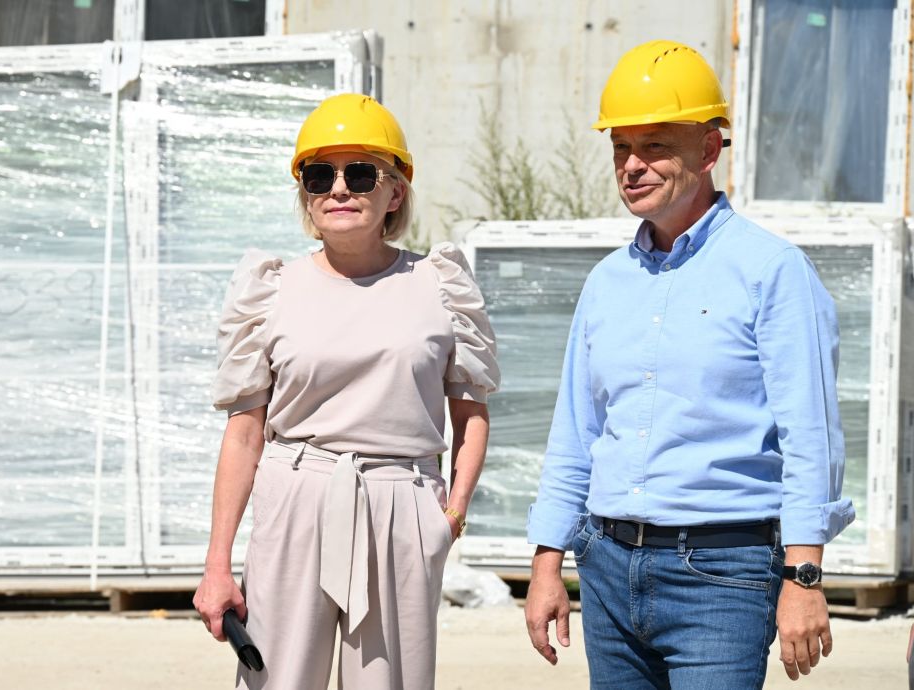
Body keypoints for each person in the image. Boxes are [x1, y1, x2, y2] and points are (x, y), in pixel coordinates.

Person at [524, 40, 855, 689]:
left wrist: (804, 576)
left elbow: (810, 437)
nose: (632, 165)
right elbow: (576, 435)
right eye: (621, 147)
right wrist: (546, 562)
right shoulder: (606, 282)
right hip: (606, 568)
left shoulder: (771, 271)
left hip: (722, 576)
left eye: (654, 146)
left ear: (708, 150)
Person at [192, 93, 500, 690]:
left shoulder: (440, 285)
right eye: (319, 175)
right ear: (305, 193)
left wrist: (451, 514)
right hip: (295, 496)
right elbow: (245, 433)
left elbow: (471, 413)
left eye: (360, 174)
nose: (338, 189)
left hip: (403, 502)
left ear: (396, 193)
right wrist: (217, 564)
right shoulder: (271, 289)